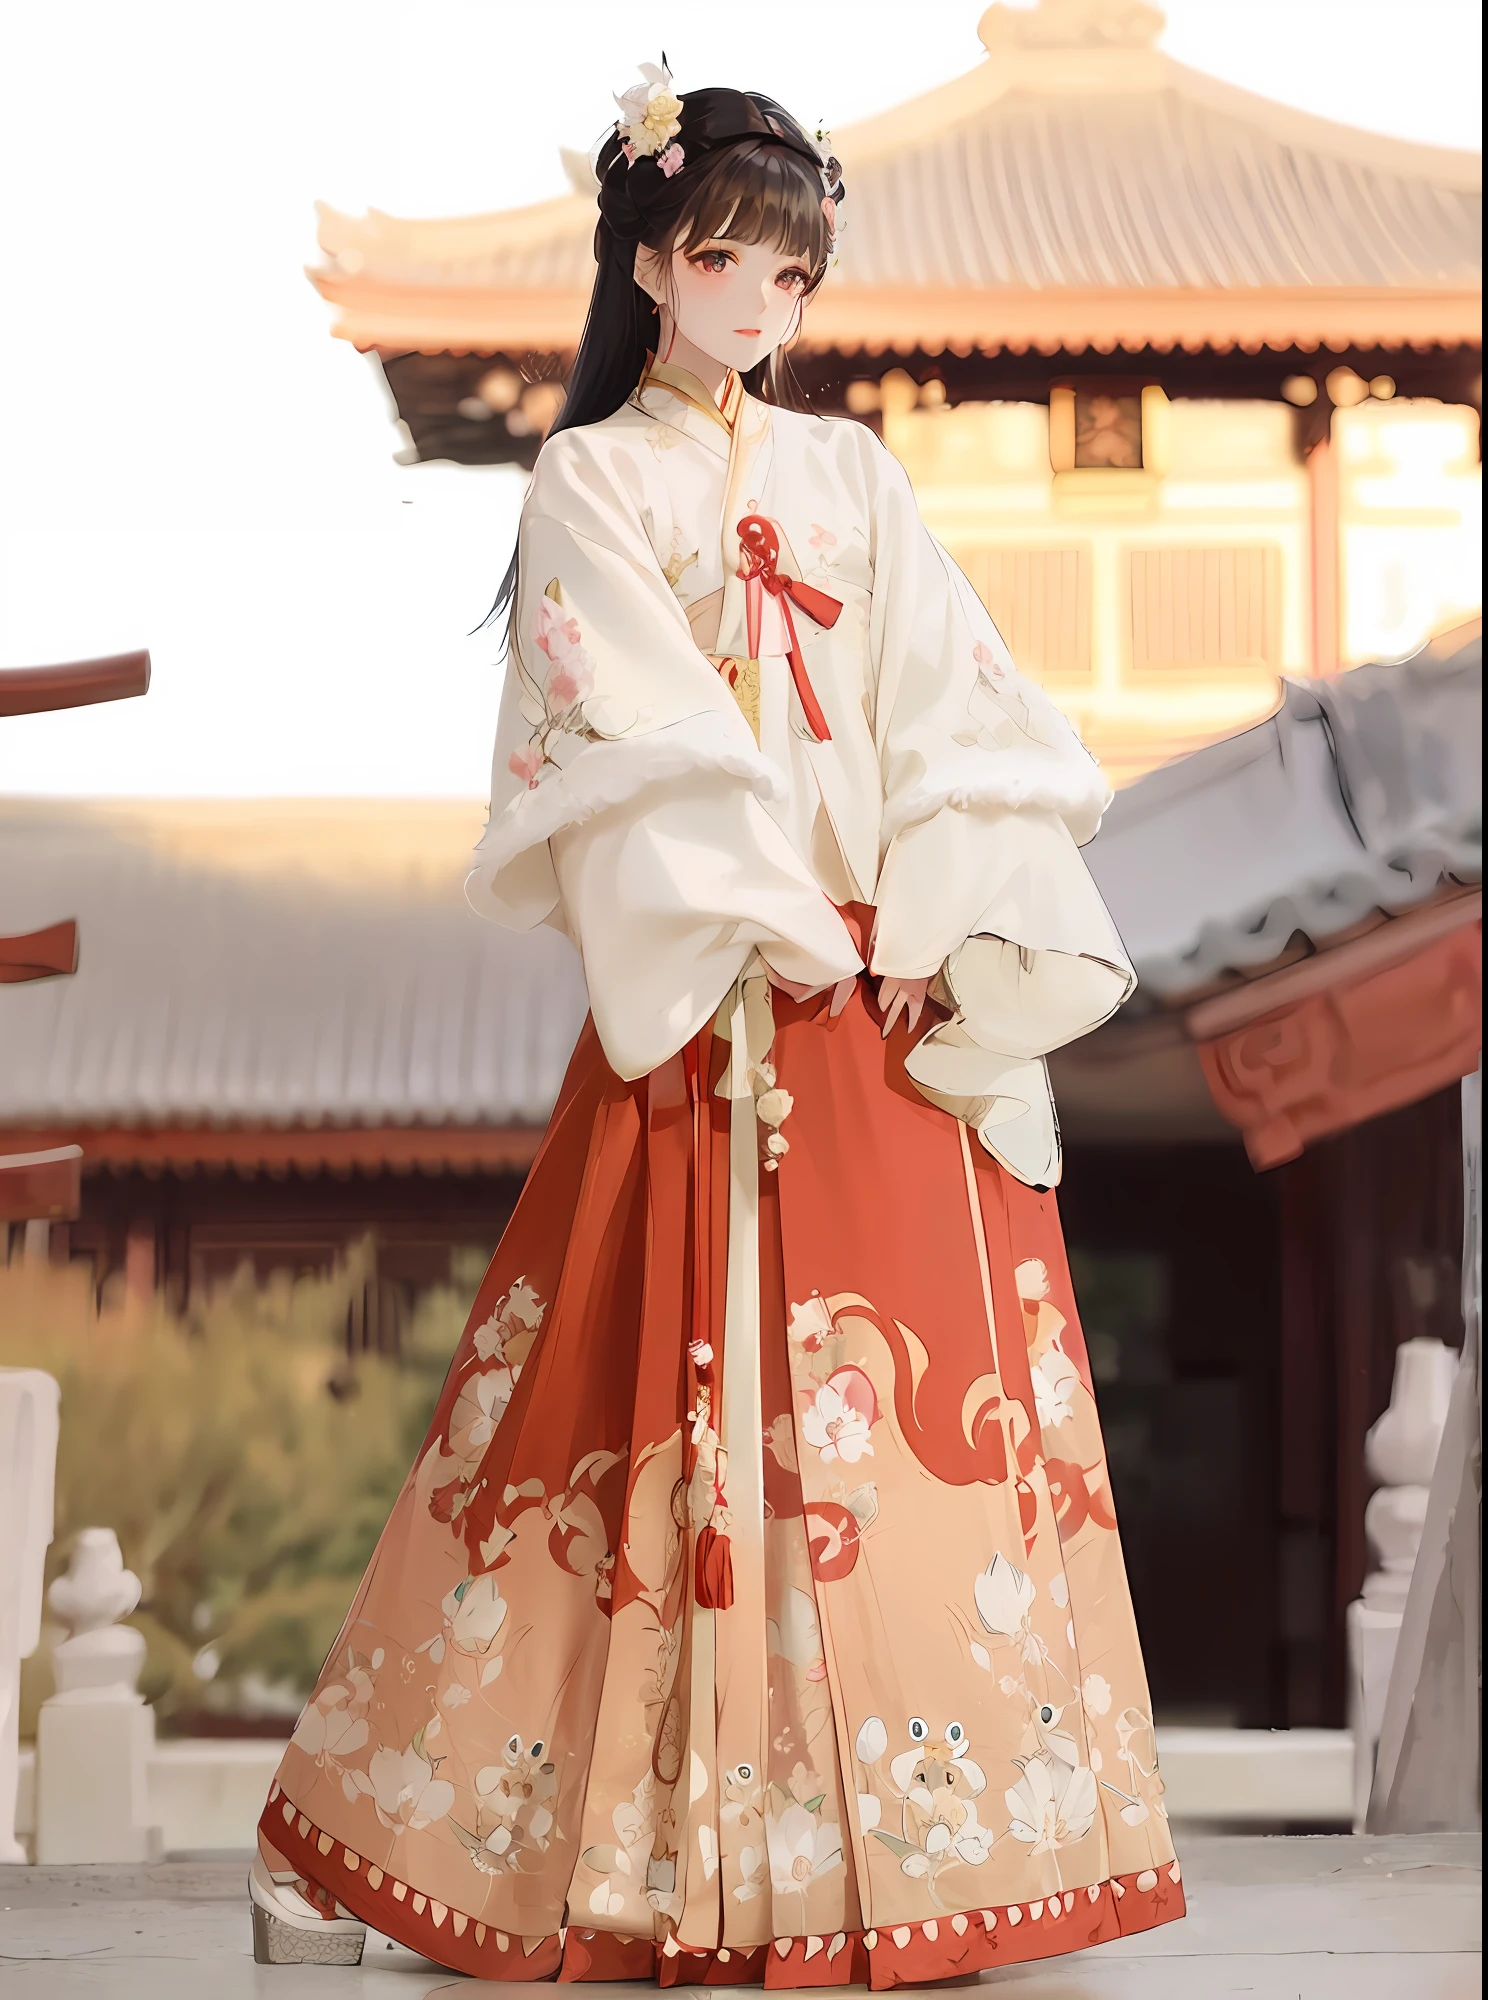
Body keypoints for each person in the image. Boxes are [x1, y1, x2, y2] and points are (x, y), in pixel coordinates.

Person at [250, 63, 1184, 1985]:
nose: (765, 300)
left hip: (880, 992)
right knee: (611, 1405)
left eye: (793, 270)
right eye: (727, 257)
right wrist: (782, 931)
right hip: (721, 1001)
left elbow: (962, 709)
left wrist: (928, 915)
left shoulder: (855, 478)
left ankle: (922, 1851)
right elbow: (644, 742)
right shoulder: (594, 479)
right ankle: (529, 1837)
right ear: (652, 261)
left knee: (916, 1413)